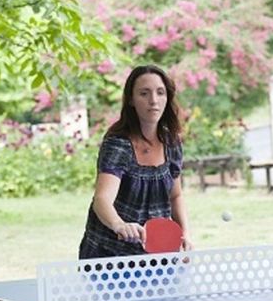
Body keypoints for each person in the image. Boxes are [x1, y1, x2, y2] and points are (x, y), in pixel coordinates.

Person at [78, 65, 193, 259]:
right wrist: (119, 225)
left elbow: (175, 196)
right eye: (144, 93)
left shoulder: (171, 142)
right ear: (131, 99)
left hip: (157, 253)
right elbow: (102, 199)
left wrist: (184, 234)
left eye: (160, 92)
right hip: (109, 254)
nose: (153, 101)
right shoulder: (118, 144)